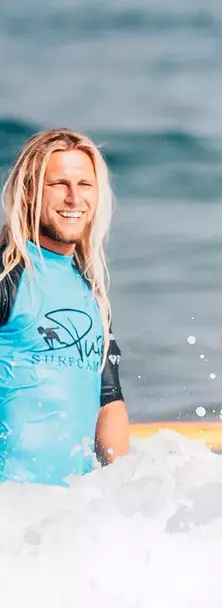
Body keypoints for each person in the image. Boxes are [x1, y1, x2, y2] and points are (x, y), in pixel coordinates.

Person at [0, 129, 130, 486]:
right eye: (59, 184)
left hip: (65, 520)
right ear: (29, 192)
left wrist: (126, 495)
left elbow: (109, 401)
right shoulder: (7, 277)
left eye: (84, 185)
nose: (74, 198)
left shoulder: (90, 291)